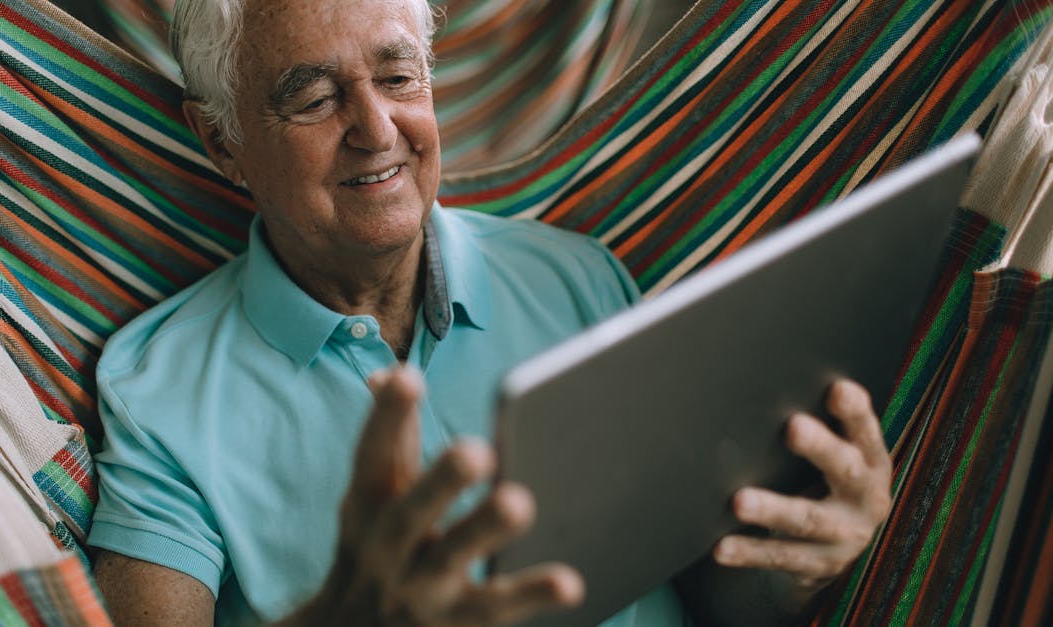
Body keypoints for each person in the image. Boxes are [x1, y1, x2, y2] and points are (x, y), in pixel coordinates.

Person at [87, 0, 893, 625]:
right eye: (315, 98)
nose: (376, 130)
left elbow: (707, 594)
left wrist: (799, 567)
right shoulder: (156, 390)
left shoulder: (576, 278)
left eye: (399, 77)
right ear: (222, 142)